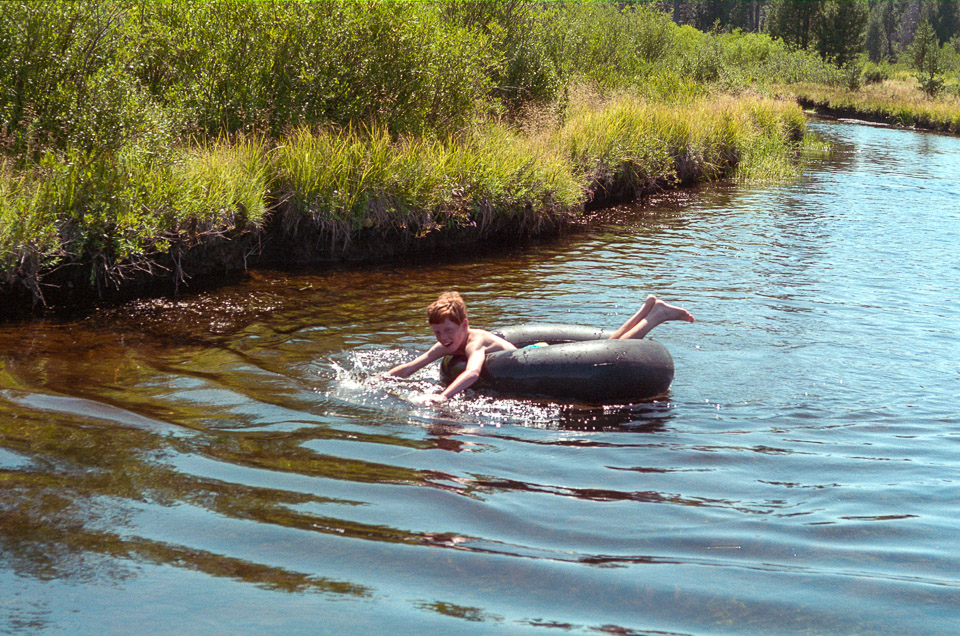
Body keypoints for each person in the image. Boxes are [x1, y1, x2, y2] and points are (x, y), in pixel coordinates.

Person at [386, 291, 694, 405]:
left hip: (534, 353)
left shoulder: (474, 342)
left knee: (613, 348)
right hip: (531, 353)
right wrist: (386, 377)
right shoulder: (447, 343)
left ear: (464, 325)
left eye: (448, 331)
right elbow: (416, 363)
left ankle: (655, 316)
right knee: (611, 343)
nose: (442, 338)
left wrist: (442, 396)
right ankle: (648, 310)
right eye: (437, 332)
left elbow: (472, 373)